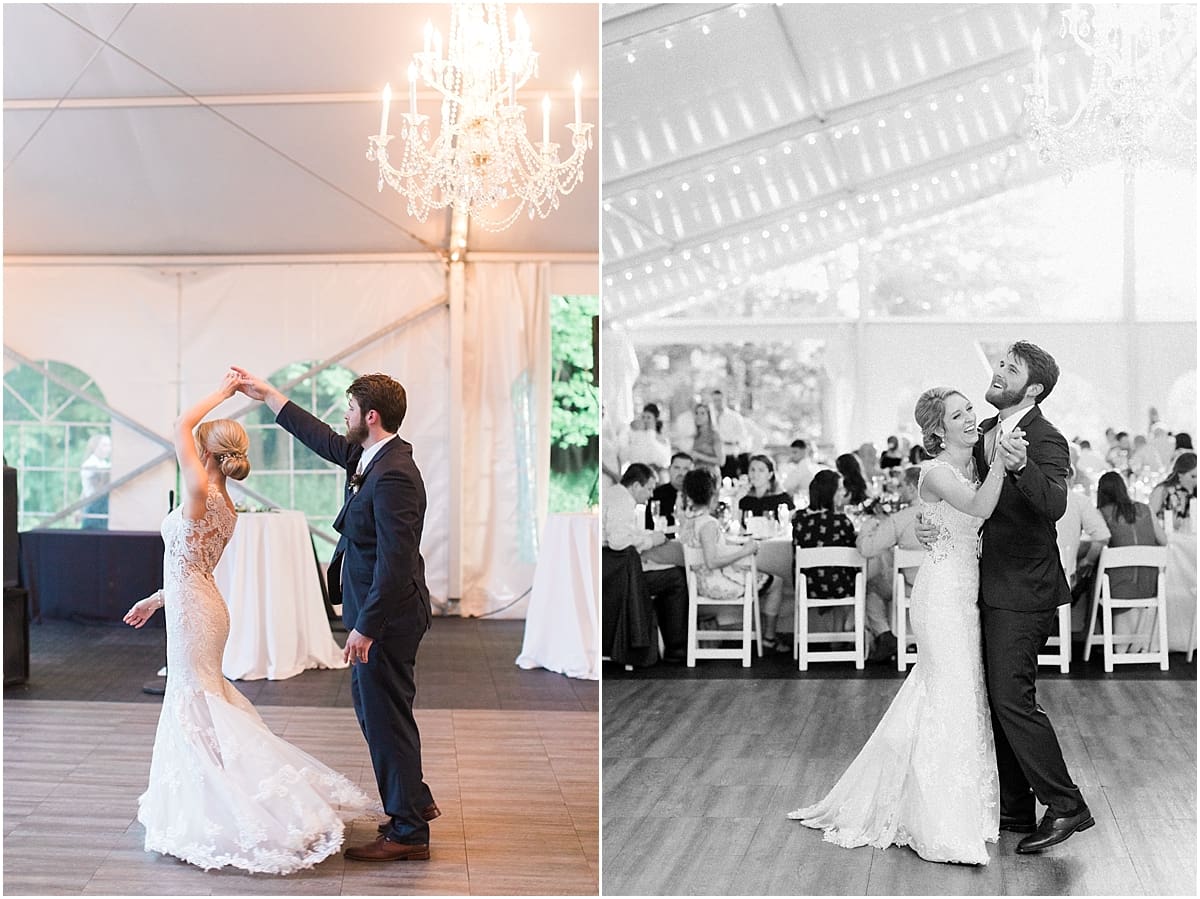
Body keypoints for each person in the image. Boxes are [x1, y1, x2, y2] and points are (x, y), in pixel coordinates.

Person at [123, 371, 375, 873]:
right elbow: (188, 566)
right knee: (202, 704)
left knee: (194, 705)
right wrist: (157, 600)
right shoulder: (228, 507)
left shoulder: (199, 495)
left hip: (197, 613)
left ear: (208, 458)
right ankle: (216, 793)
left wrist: (225, 392)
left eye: (197, 450)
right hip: (201, 606)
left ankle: (226, 804)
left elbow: (179, 423)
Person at [791, 387, 1009, 864]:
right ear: (937, 431)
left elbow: (964, 520)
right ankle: (939, 820)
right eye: (959, 414)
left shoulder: (975, 461)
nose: (971, 417)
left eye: (970, 408)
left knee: (958, 696)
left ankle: (961, 809)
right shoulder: (934, 471)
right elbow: (979, 508)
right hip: (941, 599)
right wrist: (1001, 464)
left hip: (968, 595)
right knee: (948, 697)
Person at [232, 367, 437, 862]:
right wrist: (268, 395)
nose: (341, 417)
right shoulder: (370, 455)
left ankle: (408, 832)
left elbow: (396, 562)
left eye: (348, 409)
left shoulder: (394, 476)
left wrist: (365, 626)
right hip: (376, 612)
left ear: (370, 416)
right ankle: (411, 803)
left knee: (384, 718)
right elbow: (319, 437)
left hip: (385, 619)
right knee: (379, 715)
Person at [923, 341, 1091, 855]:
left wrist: (1020, 468)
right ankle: (1016, 809)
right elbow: (961, 500)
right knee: (996, 701)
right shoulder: (987, 433)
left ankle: (1066, 805)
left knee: (1012, 700)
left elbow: (1055, 505)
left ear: (1033, 388)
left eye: (1009, 369)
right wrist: (930, 525)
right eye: (999, 364)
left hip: (1023, 591)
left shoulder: (1046, 438)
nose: (996, 373)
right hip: (983, 585)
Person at [602, 462, 688, 663]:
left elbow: (623, 532)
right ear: (635, 486)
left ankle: (669, 645)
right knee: (676, 577)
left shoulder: (614, 494)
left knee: (669, 574)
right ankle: (675, 648)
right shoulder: (623, 501)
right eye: (649, 489)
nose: (651, 494)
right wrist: (650, 540)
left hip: (611, 570)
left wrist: (649, 535)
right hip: (616, 575)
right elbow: (619, 542)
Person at [855, 465, 924, 662]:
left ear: (911, 488)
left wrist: (868, 527)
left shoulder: (900, 519)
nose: (898, 490)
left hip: (912, 587)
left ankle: (885, 635)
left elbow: (867, 549)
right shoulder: (946, 514)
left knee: (871, 587)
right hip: (942, 586)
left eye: (901, 485)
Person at [678, 468, 769, 608]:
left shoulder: (688, 521)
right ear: (713, 495)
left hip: (697, 583)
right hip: (714, 585)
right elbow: (712, 562)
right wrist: (745, 551)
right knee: (774, 581)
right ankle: (767, 629)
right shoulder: (708, 524)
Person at [1148, 451, 1196, 531]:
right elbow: (1149, 518)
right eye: (1193, 476)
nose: (1196, 481)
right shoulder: (1162, 491)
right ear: (1180, 474)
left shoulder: (1195, 493)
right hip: (1166, 538)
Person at [736, 454, 795, 519]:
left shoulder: (782, 499)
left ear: (770, 474)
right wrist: (737, 499)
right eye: (752, 470)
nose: (755, 474)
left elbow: (791, 524)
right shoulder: (745, 499)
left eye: (761, 470)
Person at [645, 451, 693, 529]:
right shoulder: (655, 494)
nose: (681, 473)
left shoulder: (697, 496)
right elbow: (648, 525)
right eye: (677, 468)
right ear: (669, 469)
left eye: (686, 469)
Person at [620, 403, 672, 473]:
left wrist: (651, 431)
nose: (645, 420)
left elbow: (664, 458)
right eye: (643, 417)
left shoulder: (662, 437)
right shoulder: (636, 433)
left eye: (648, 417)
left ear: (655, 419)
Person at [710, 388, 750, 479]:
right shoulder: (710, 417)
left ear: (724, 400)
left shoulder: (734, 417)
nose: (717, 403)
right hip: (713, 458)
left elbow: (743, 437)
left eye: (719, 400)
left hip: (729, 456)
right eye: (715, 400)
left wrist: (728, 442)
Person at [79, 433, 112, 529]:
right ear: (95, 446)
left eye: (109, 445)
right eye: (104, 445)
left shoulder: (104, 463)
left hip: (102, 506)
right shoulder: (90, 464)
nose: (108, 448)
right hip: (94, 505)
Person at [690, 401, 724, 479]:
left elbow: (721, 461)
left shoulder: (714, 435)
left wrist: (699, 456)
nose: (698, 416)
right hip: (697, 475)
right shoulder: (696, 436)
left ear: (709, 416)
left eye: (702, 413)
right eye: (696, 413)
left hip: (711, 476)